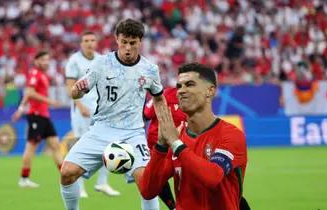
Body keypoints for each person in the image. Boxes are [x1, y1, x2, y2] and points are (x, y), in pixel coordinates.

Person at [60, 18, 166, 210]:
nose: (127, 48)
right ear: (117, 39)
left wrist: (165, 128)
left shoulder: (150, 70)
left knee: (147, 184)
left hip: (132, 133)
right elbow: (76, 91)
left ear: (140, 42)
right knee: (67, 172)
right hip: (100, 130)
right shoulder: (101, 63)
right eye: (123, 42)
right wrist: (77, 90)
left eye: (132, 43)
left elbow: (159, 98)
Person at [139, 63, 249, 210]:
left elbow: (212, 177)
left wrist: (175, 143)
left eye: (189, 85)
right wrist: (161, 146)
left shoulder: (231, 135)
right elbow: (147, 190)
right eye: (179, 86)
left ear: (210, 91)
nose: (181, 91)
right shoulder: (178, 138)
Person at [65, 31, 120, 197]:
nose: (89, 43)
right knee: (80, 146)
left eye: (92, 40)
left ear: (96, 42)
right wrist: (79, 104)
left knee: (108, 144)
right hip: (81, 110)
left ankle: (102, 183)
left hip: (99, 109)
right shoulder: (74, 61)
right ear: (81, 43)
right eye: (86, 40)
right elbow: (70, 85)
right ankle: (79, 186)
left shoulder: (101, 60)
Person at [12, 51, 63, 188]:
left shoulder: (42, 75)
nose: (46, 62)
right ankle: (23, 179)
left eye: (47, 59)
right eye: (43, 60)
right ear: (36, 61)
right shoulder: (34, 73)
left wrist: (20, 109)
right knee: (31, 147)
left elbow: (28, 95)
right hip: (36, 115)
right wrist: (50, 101)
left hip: (44, 115)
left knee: (55, 145)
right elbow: (29, 93)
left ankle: (66, 177)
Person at [143, 87, 187, 210]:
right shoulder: (164, 94)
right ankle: (173, 207)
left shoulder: (196, 101)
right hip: (159, 147)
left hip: (180, 146)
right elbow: (145, 114)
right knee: (155, 181)